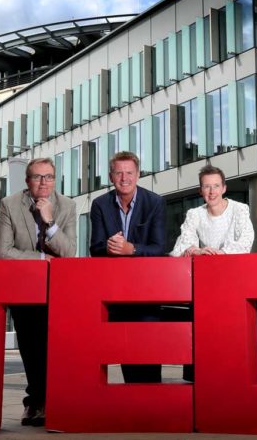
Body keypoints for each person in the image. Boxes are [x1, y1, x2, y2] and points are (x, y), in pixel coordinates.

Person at [170, 165, 257, 383]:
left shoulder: (239, 209)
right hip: (209, 287)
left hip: (237, 283)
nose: (212, 191)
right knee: (208, 340)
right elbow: (179, 248)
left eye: (216, 186)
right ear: (200, 190)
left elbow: (245, 242)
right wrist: (197, 250)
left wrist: (219, 254)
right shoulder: (195, 214)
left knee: (251, 333)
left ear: (224, 188)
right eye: (207, 187)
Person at [0, 157, 76, 426]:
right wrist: (42, 258)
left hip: (57, 289)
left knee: (54, 346)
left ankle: (47, 400)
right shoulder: (9, 204)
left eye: (49, 177)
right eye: (37, 177)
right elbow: (4, 252)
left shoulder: (67, 205)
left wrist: (50, 222)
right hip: (24, 288)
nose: (44, 183)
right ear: (27, 180)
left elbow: (69, 252)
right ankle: (35, 401)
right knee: (30, 346)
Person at [89, 151, 167, 383]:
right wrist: (110, 248)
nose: (124, 178)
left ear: (138, 174)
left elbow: (159, 248)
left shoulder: (155, 203)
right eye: (119, 173)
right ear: (111, 176)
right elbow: (95, 248)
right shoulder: (100, 205)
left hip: (146, 293)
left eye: (129, 173)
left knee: (147, 351)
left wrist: (131, 249)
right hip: (115, 292)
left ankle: (151, 399)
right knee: (126, 352)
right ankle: (132, 399)